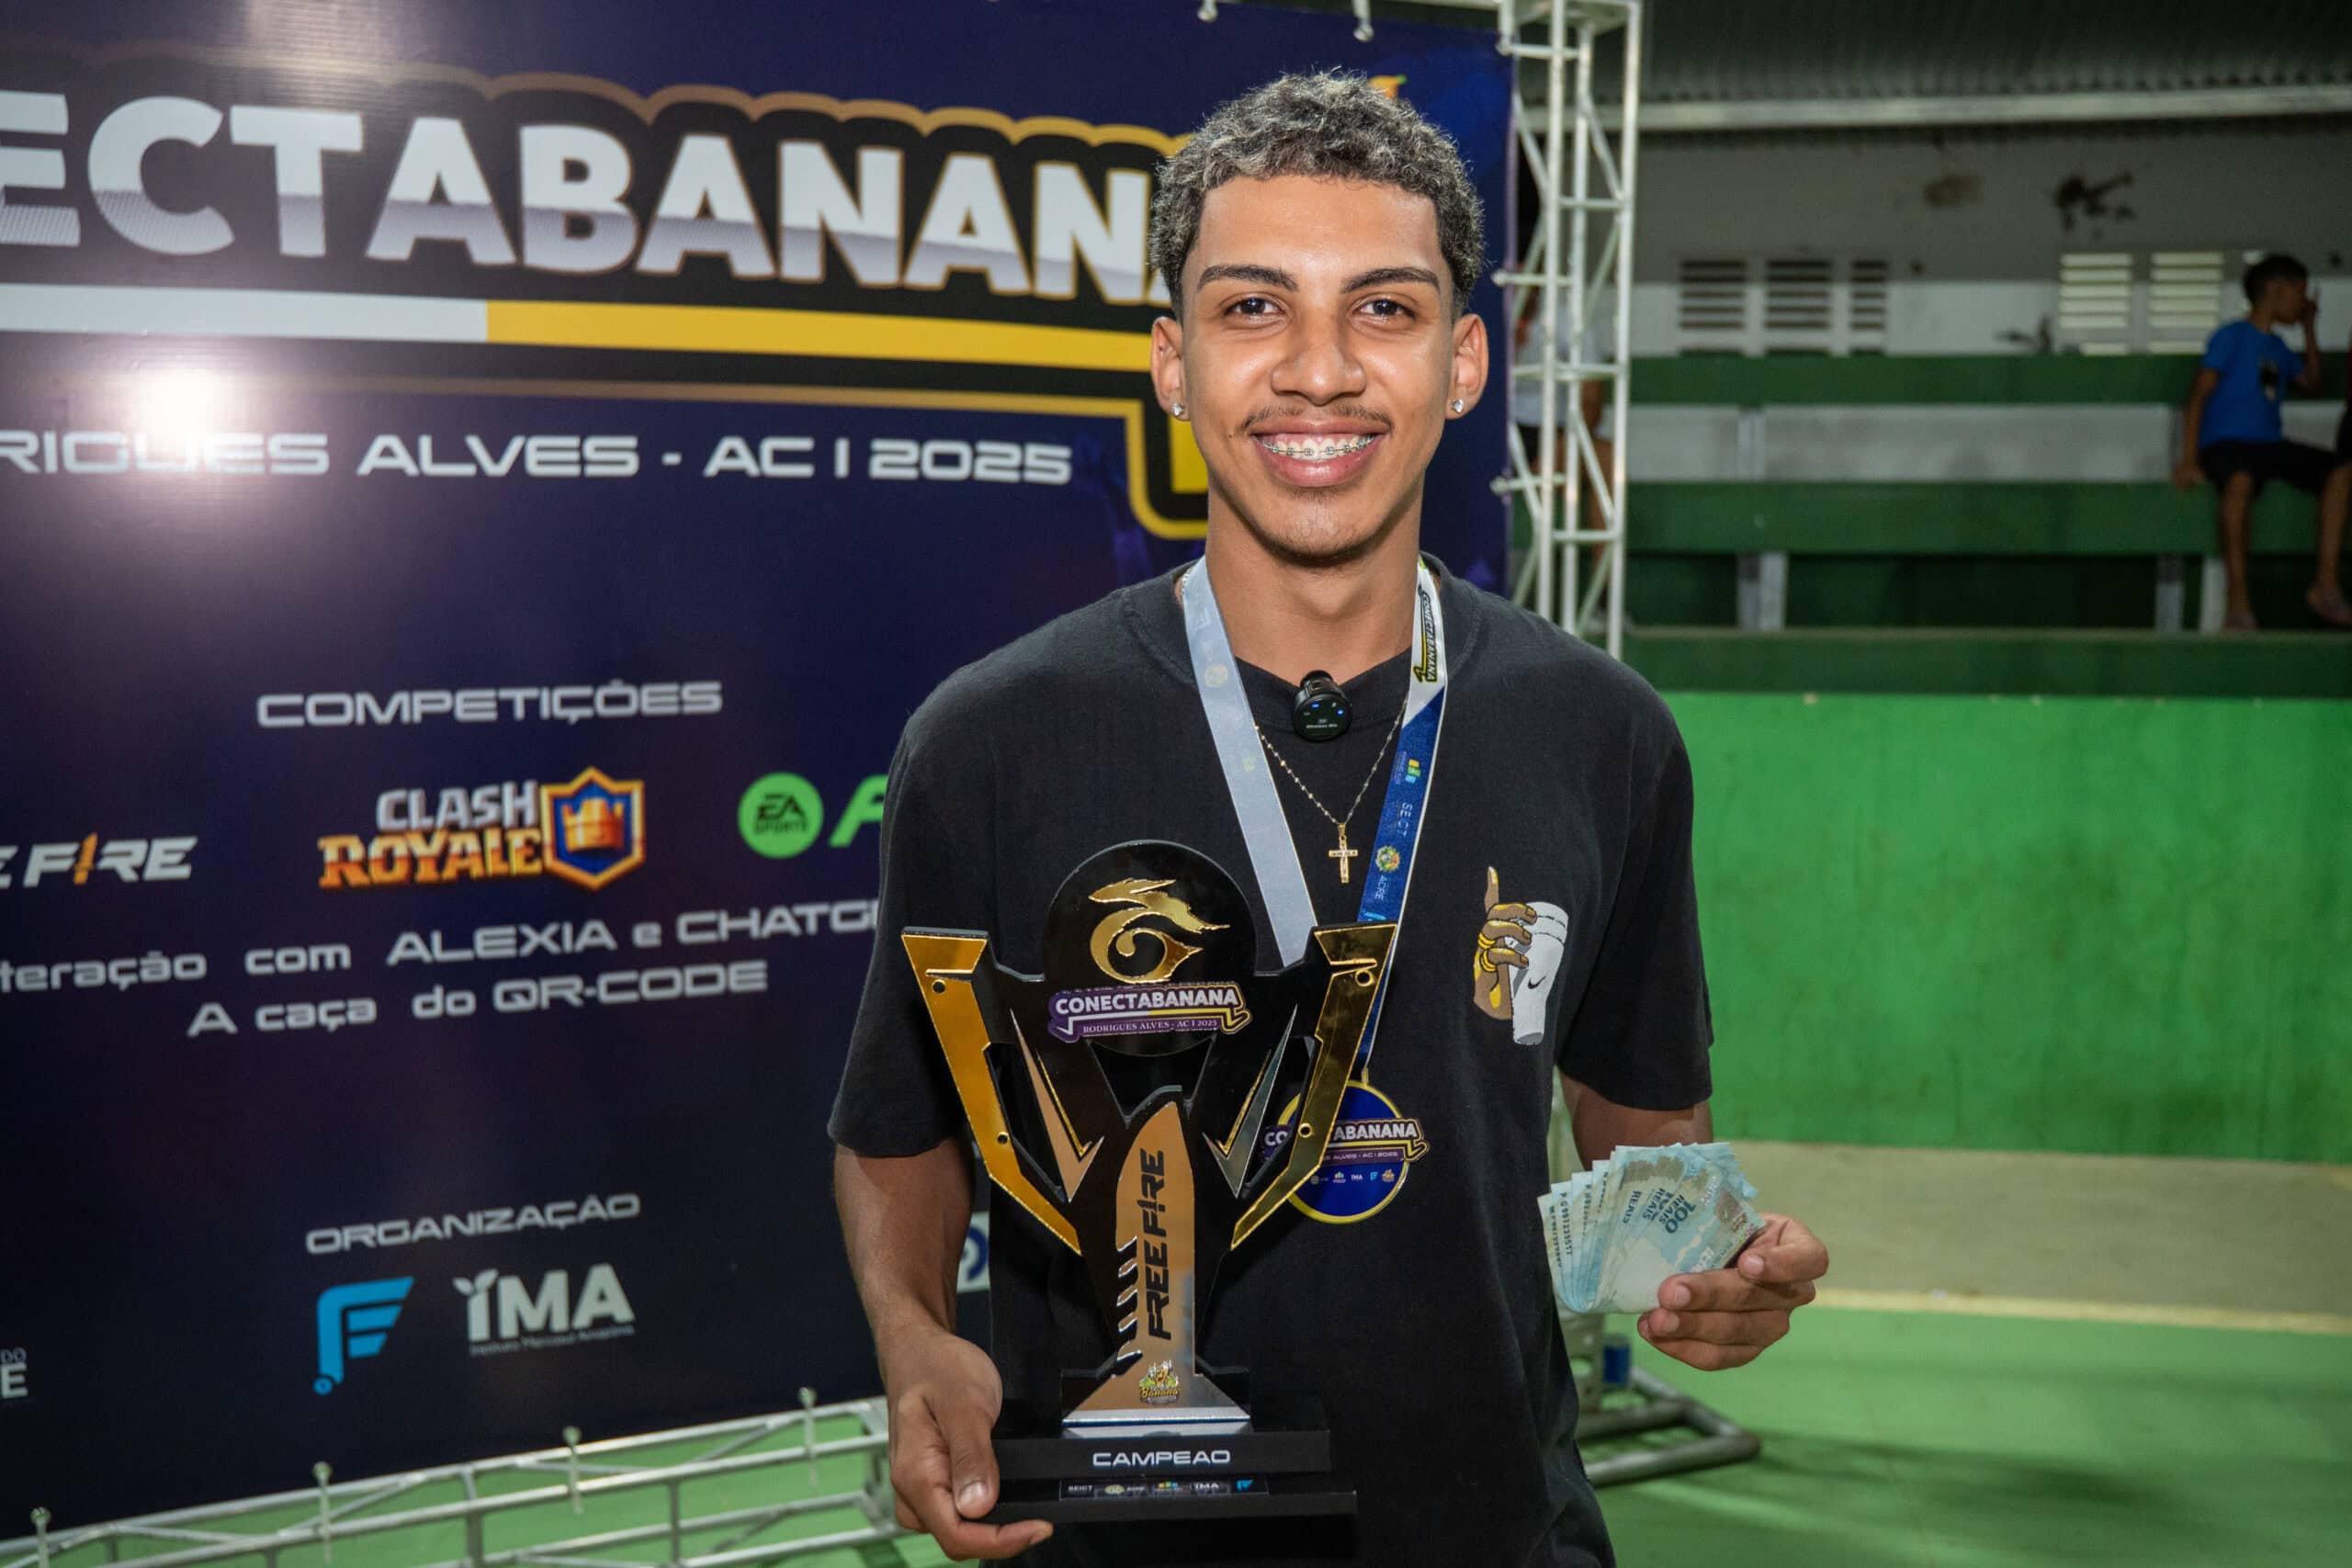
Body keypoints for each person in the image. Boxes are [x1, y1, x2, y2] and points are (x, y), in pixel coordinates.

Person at [828, 71, 1827, 1567]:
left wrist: (1707, 1261)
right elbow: (901, 1127)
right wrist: (915, 1338)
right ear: (1173, 362)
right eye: (1253, 307)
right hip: (1115, 1536)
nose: (1318, 370)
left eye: (1384, 308)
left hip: (1494, 1529)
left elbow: (1644, 1116)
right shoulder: (989, 740)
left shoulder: (1601, 731)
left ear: (1465, 360)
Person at [2171, 253, 2352, 630]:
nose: (2303, 302)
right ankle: (2237, 601)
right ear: (2277, 290)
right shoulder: (2231, 336)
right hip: (2227, 444)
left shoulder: (2279, 348)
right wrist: (2189, 459)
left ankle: (2325, 585)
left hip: (2269, 445)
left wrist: (2309, 328)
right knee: (2239, 483)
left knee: (2340, 469)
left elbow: (2313, 383)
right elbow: (2199, 395)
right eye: (2300, 293)